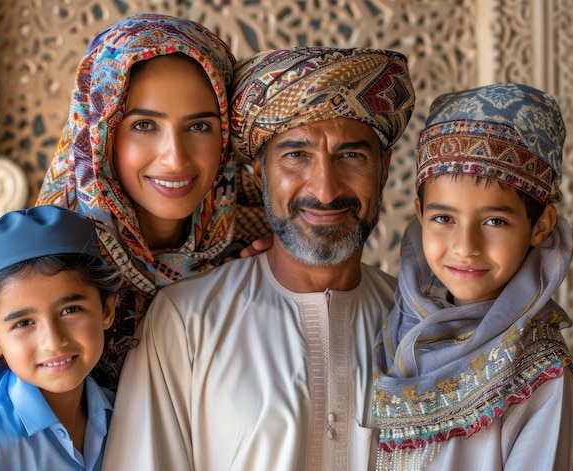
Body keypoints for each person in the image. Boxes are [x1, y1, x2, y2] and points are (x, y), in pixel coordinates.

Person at [101, 46, 415, 471]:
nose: (324, 189)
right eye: (296, 155)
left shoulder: (416, 324)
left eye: (351, 156)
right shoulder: (186, 320)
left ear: (386, 167)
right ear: (260, 173)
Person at [0, 13, 269, 393]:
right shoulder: (38, 267)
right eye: (144, 126)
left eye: (199, 126)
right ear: (101, 134)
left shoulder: (257, 244)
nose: (175, 158)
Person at [372, 83, 573, 470]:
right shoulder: (392, 329)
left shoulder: (540, 378)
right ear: (419, 215)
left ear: (540, 226)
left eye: (494, 221)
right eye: (444, 219)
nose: (466, 245)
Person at [0, 205, 123, 470]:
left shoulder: (122, 410)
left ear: (107, 310)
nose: (54, 341)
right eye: (24, 323)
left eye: (70, 310)